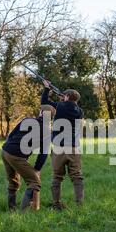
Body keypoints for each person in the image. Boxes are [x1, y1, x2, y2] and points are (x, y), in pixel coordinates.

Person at [1, 105, 56, 211]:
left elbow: (11, 134)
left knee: (13, 182)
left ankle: (12, 210)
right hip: (16, 156)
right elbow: (43, 154)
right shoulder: (47, 131)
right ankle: (23, 214)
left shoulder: (27, 120)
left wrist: (10, 146)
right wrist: (37, 169)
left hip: (5, 151)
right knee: (35, 183)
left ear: (40, 113)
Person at [41, 80, 84, 210]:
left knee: (56, 177)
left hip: (59, 148)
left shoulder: (61, 105)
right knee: (77, 177)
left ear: (66, 97)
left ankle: (56, 204)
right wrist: (63, 98)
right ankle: (79, 205)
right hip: (73, 148)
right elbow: (68, 106)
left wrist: (47, 89)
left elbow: (44, 102)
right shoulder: (80, 111)